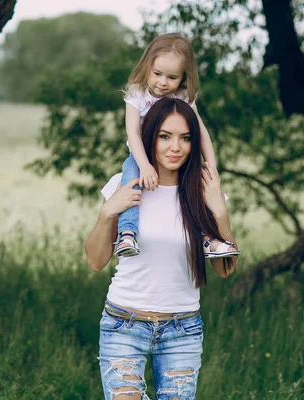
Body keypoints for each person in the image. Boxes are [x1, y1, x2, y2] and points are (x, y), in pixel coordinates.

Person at [85, 97, 239, 400]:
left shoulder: (203, 192)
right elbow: (95, 260)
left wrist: (220, 213)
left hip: (182, 330)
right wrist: (107, 214)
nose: (175, 147)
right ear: (149, 137)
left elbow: (224, 269)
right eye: (165, 136)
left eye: (185, 138)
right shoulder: (123, 183)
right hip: (123, 324)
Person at [114, 33, 239, 259]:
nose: (163, 82)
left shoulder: (182, 97)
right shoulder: (137, 93)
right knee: (130, 179)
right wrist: (145, 165)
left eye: (171, 77)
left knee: (198, 183)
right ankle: (127, 233)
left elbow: (201, 132)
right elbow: (132, 133)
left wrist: (211, 166)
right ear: (147, 67)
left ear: (183, 77)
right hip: (141, 155)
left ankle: (207, 237)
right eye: (157, 74)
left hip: (171, 158)